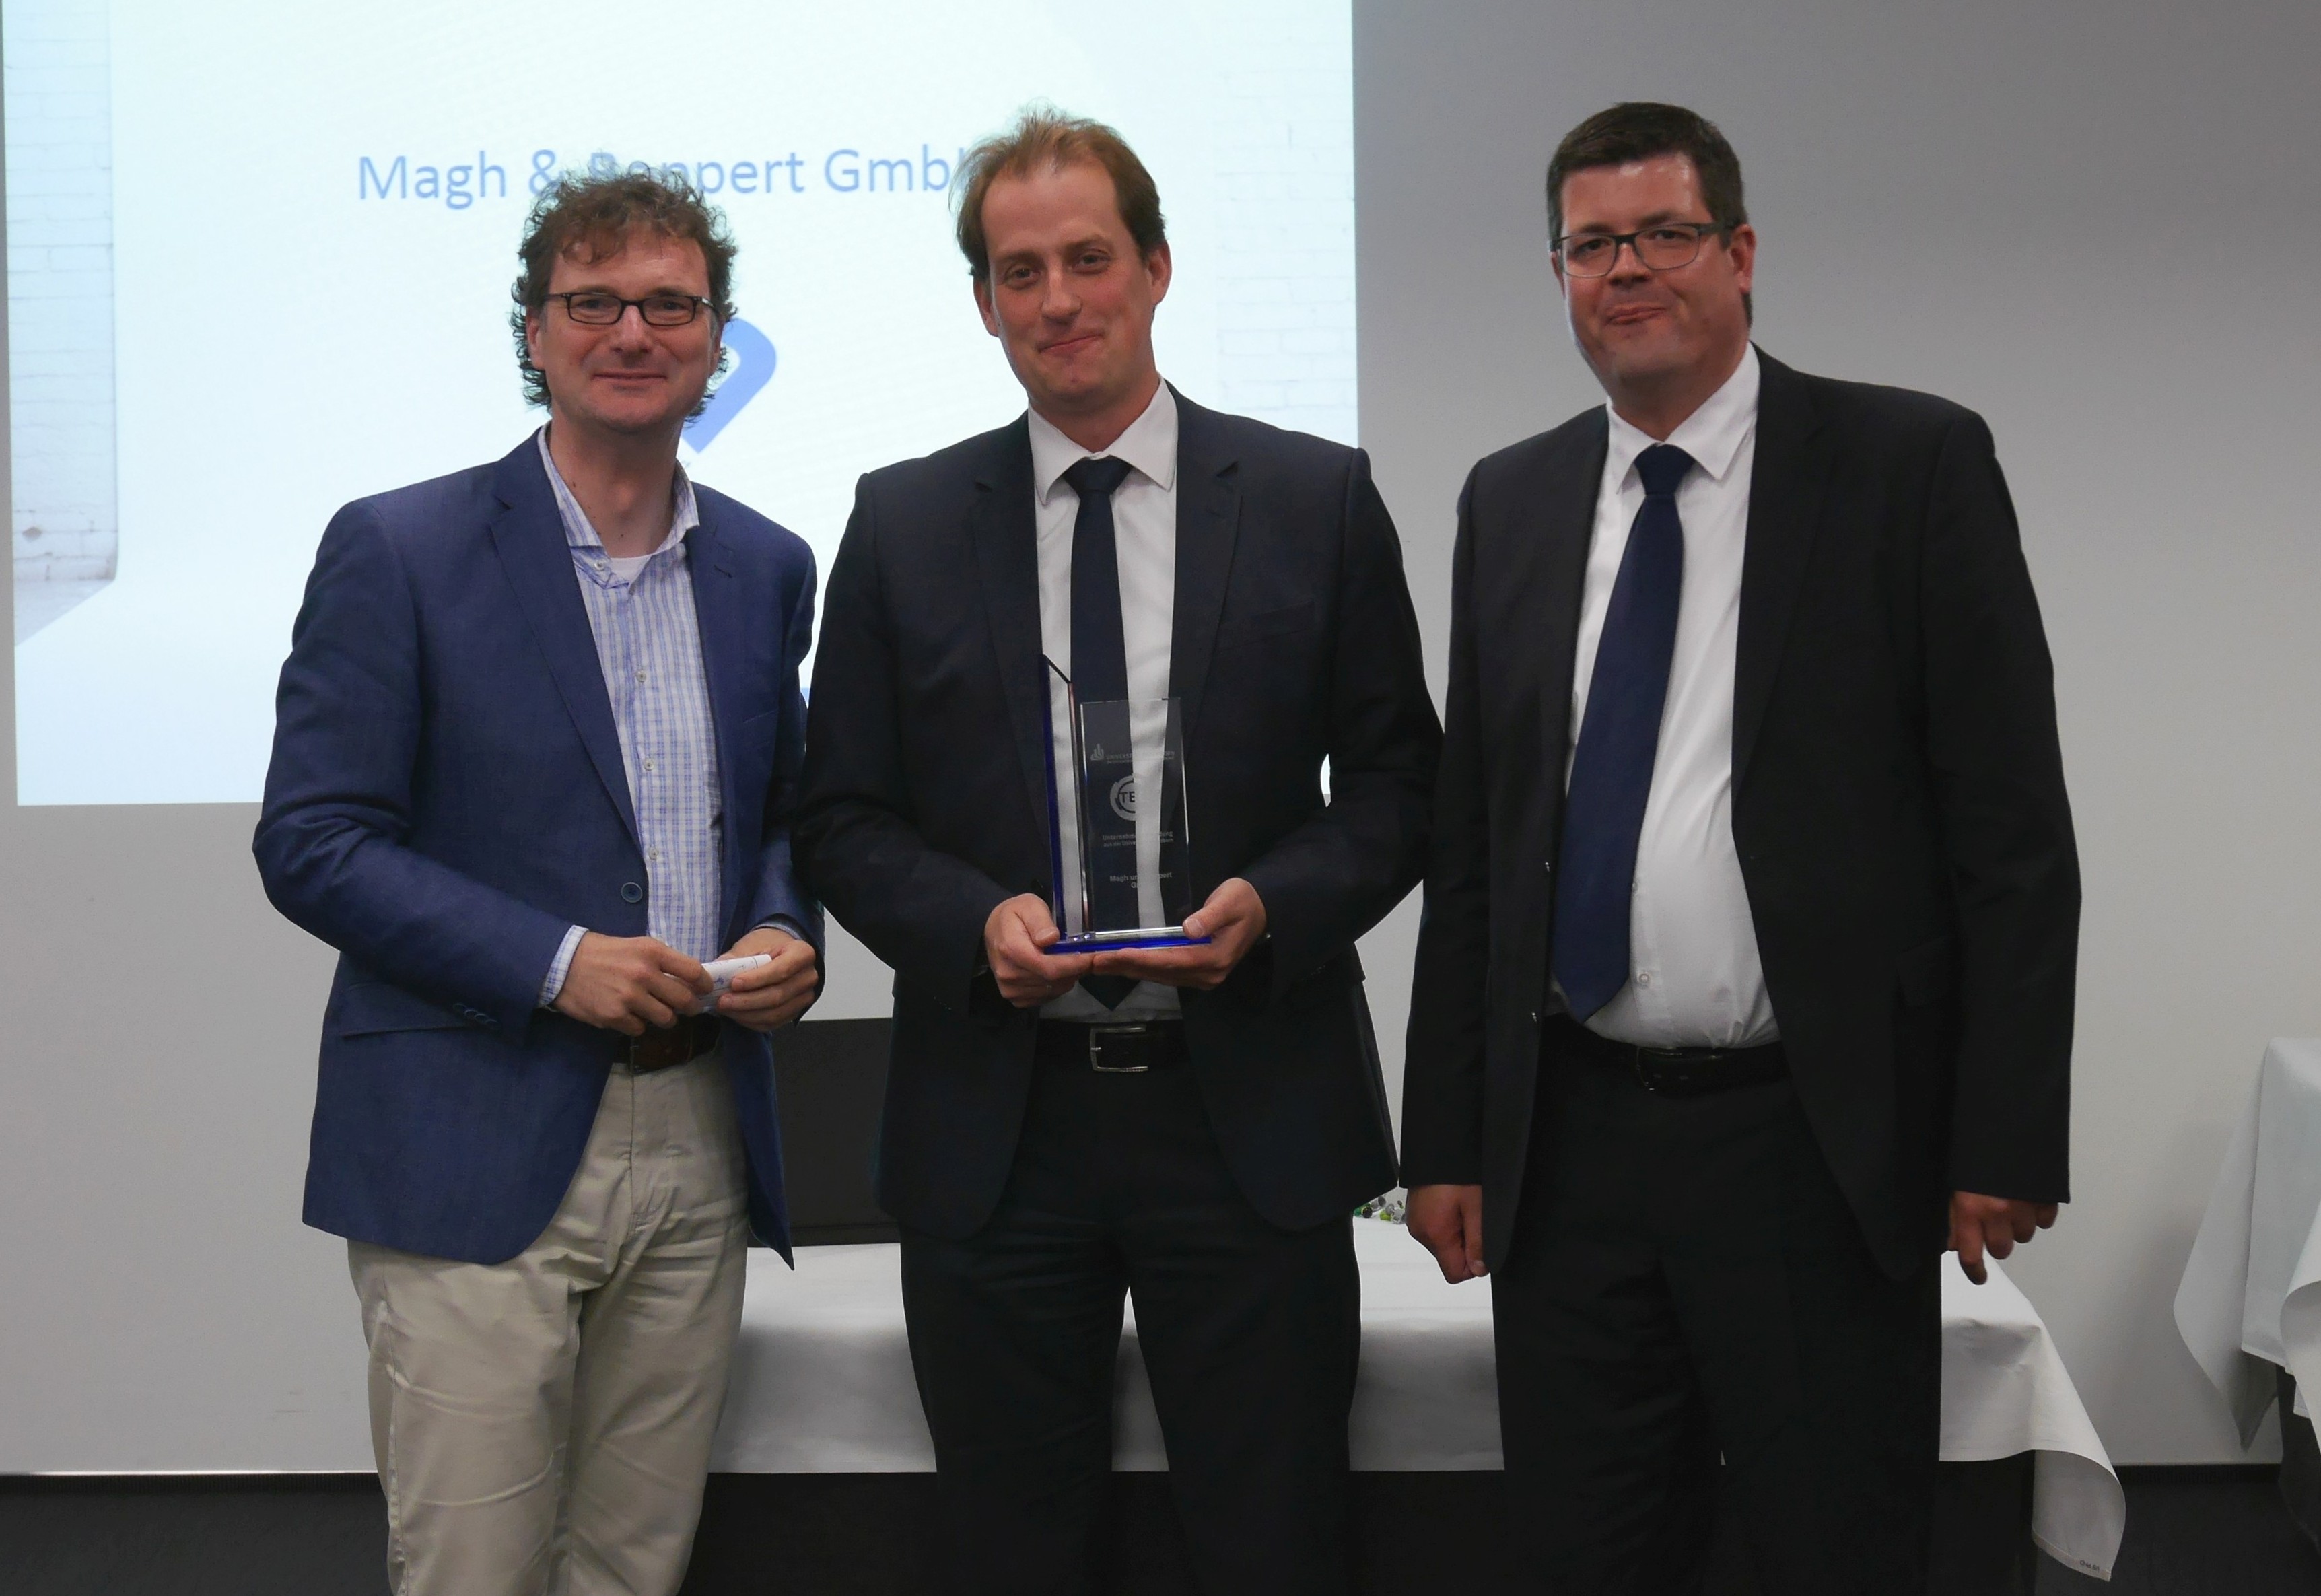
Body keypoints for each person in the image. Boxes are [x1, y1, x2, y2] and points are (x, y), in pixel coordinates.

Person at [1399, 102, 2080, 1592]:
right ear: (1559, 273)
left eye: (1664, 234)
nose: (1626, 270)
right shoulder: (1510, 499)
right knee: (1585, 1549)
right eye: (1592, 245)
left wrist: (2004, 1132)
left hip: (1811, 1141)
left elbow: (2012, 832)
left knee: (1832, 1544)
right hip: (1570, 1139)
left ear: (1742, 252)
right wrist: (1443, 1138)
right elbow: (1477, 849)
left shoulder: (1906, 464)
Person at [793, 110, 1440, 1595]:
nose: (1058, 300)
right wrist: (968, 924)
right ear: (983, 302)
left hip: (1246, 1114)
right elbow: (840, 814)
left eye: (1088, 259)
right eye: (1019, 273)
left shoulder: (1311, 499)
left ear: (1154, 268)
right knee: (1012, 1550)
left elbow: (1402, 785)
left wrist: (1275, 903)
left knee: (1274, 1544)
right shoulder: (900, 522)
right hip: (997, 1124)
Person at [254, 170, 821, 1596]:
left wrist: (781, 918)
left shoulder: (765, 566)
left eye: (669, 304)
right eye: (593, 302)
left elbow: (782, 814)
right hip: (470, 1131)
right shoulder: (400, 548)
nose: (632, 332)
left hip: (700, 1127)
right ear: (534, 331)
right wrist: (558, 961)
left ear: (717, 337)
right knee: (476, 1568)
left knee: (635, 1565)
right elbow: (313, 838)